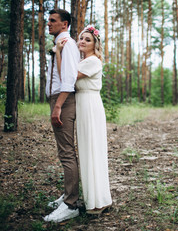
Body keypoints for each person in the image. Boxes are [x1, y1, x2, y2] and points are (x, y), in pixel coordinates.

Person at [55, 25, 112, 214]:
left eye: (87, 40)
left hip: (90, 105)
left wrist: (58, 53)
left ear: (95, 44)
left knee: (92, 150)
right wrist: (59, 54)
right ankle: (90, 197)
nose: (82, 41)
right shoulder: (82, 61)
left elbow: (68, 78)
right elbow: (64, 76)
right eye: (80, 38)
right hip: (82, 103)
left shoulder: (93, 61)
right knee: (87, 151)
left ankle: (98, 200)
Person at [43, 9, 80, 223]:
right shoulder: (60, 44)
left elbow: (69, 78)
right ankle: (68, 194)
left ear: (64, 24)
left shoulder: (68, 43)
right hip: (59, 99)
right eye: (48, 20)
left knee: (66, 153)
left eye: (53, 21)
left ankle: (71, 204)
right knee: (64, 151)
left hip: (63, 101)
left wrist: (57, 106)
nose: (48, 24)